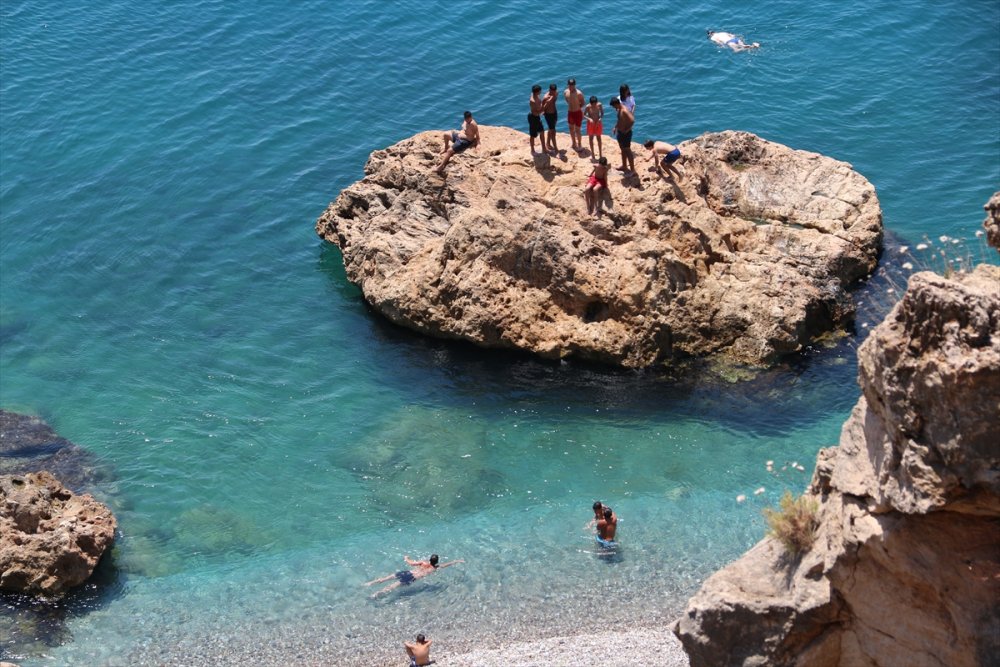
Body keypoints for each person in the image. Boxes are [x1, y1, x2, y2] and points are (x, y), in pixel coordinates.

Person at [364, 554, 464, 598]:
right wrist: (456, 561)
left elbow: (411, 563)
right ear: (437, 561)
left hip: (408, 573)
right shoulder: (435, 568)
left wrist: (406, 558)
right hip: (411, 578)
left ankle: (369, 583)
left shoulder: (423, 562)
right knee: (391, 587)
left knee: (385, 578)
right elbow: (446, 565)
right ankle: (375, 595)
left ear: (430, 559)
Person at [609, 97, 635, 174]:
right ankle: (624, 166)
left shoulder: (624, 110)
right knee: (622, 149)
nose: (614, 108)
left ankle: (633, 170)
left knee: (628, 151)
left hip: (625, 134)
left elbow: (632, 120)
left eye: (614, 106)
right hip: (620, 132)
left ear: (616, 104)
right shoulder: (619, 109)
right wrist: (615, 127)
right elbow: (620, 120)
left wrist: (627, 130)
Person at [564, 78, 585, 151]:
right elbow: (567, 100)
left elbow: (583, 103)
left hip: (577, 112)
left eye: (572, 85)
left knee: (577, 130)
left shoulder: (579, 93)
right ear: (568, 85)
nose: (571, 86)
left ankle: (579, 144)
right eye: (570, 85)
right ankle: (573, 143)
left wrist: (578, 108)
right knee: (571, 128)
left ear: (575, 85)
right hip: (570, 112)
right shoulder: (566, 92)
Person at [584, 95, 603, 160]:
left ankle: (600, 154)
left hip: (598, 123)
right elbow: (584, 115)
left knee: (599, 138)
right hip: (591, 124)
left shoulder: (599, 105)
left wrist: (600, 119)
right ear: (590, 103)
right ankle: (592, 154)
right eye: (593, 104)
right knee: (591, 138)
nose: (594, 105)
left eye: (595, 104)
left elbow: (602, 113)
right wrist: (589, 119)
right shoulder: (588, 107)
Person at [541, 83, 559, 152]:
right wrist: (548, 103)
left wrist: (552, 98)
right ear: (549, 90)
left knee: (551, 129)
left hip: (554, 113)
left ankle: (548, 143)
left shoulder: (556, 93)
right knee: (553, 131)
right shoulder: (546, 97)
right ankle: (556, 148)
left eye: (554, 91)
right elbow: (542, 107)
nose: (553, 92)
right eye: (552, 91)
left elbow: (555, 97)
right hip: (548, 115)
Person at [528, 85, 545, 154]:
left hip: (537, 117)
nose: (541, 92)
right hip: (533, 118)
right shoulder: (533, 101)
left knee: (542, 131)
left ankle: (544, 148)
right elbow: (535, 112)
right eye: (540, 91)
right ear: (537, 92)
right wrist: (543, 109)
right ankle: (532, 150)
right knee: (533, 135)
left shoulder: (535, 95)